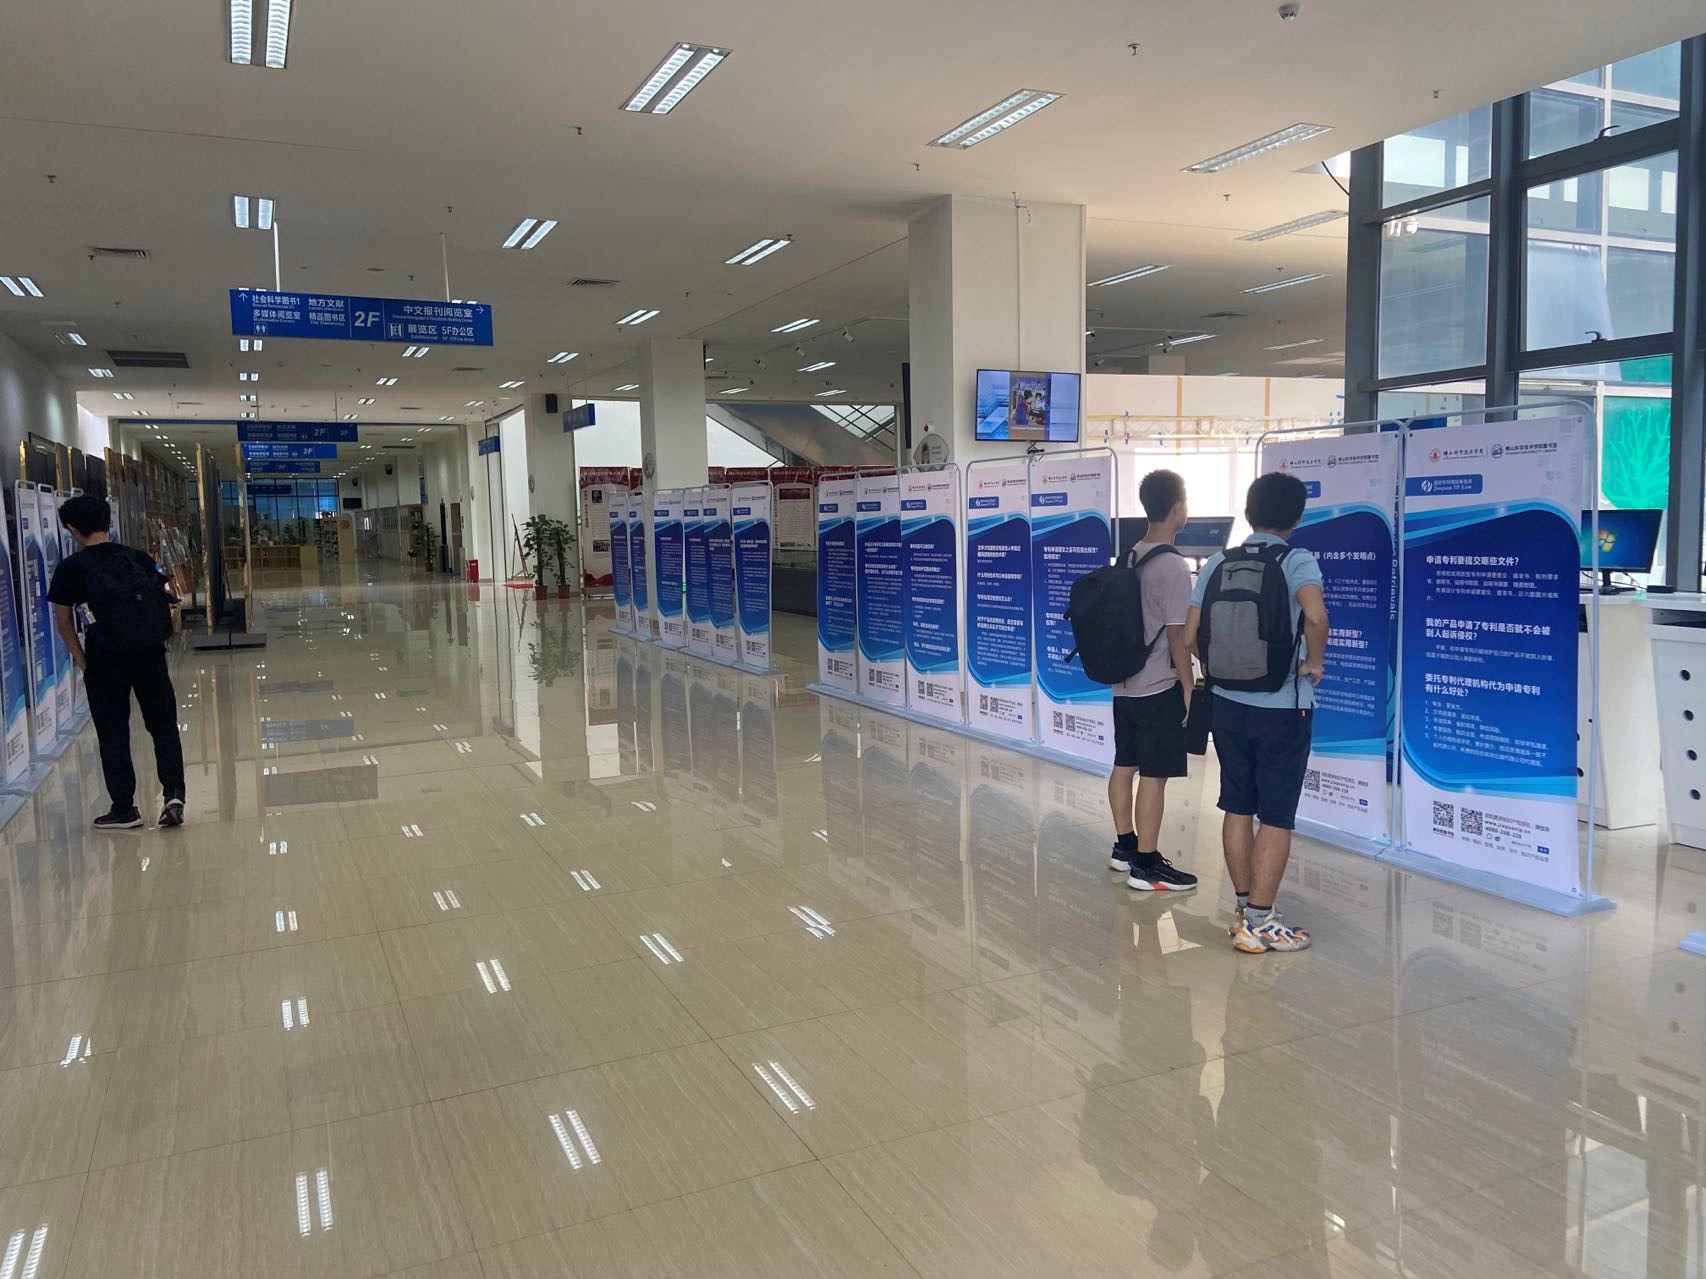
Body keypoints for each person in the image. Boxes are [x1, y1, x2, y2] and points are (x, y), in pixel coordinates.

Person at [1184, 472, 1328, 953]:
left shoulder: (1217, 563)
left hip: (1226, 705)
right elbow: (1315, 616)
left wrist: (1220, 667)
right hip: (1282, 708)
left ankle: (1245, 909)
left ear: (1248, 513)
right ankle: (1261, 924)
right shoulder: (1296, 561)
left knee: (1237, 805)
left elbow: (1188, 636)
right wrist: (1314, 662)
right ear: (1297, 516)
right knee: (1277, 814)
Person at [48, 494, 185, 830]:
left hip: (105, 659)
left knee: (113, 733)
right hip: (150, 654)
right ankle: (174, 795)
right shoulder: (137, 558)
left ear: (72, 529)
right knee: (163, 725)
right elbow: (165, 600)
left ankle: (124, 810)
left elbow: (64, 624)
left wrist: (85, 663)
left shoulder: (71, 568)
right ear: (108, 522)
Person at [1107, 469, 1198, 893]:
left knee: (1124, 766)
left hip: (1123, 684)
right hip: (1158, 686)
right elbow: (1180, 638)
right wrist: (1188, 686)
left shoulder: (1129, 556)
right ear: (1176, 508)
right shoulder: (1174, 566)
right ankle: (1146, 865)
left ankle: (1124, 846)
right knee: (1154, 776)